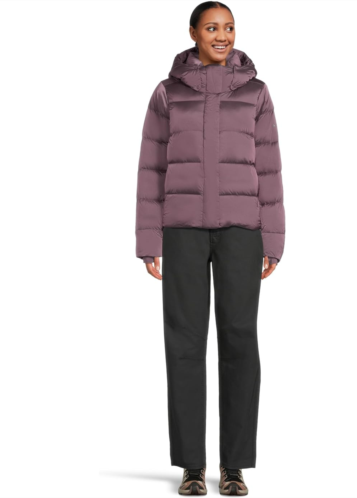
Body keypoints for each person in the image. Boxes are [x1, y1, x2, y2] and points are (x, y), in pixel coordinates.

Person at [135, 2, 285, 495]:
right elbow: (151, 167)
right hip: (181, 230)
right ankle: (192, 467)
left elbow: (269, 168)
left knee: (240, 339)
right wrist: (148, 238)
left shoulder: (256, 92)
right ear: (193, 33)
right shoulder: (168, 93)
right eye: (212, 28)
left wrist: (274, 237)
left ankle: (234, 466)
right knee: (184, 343)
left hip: (243, 230)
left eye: (229, 27)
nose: (222, 35)